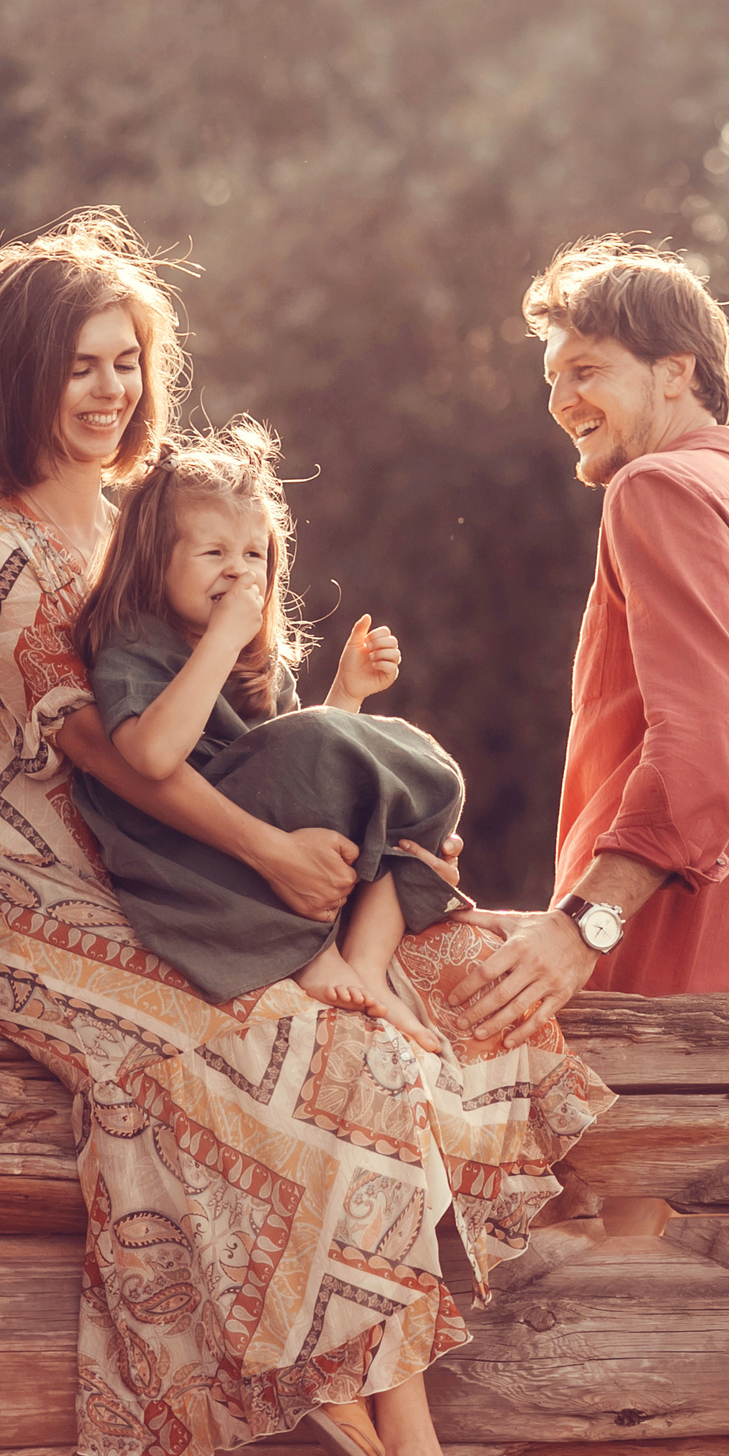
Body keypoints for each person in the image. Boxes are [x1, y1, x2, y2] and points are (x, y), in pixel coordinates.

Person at [0, 208, 605, 1456]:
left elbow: (236, 729)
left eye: (128, 360)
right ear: (15, 377)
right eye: (78, 365)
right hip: (56, 906)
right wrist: (284, 870)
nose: (109, 391)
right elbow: (123, 760)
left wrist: (336, 772)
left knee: (447, 976)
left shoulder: (149, 522)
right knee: (307, 1059)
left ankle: (461, 1361)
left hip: (209, 878)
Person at [449, 235, 729, 1048]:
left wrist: (579, 931)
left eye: (587, 370)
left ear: (676, 372)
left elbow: (710, 743)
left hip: (656, 997)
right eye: (553, 378)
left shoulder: (656, 487)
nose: (559, 400)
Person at [70, 416, 465, 1054]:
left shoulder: (257, 661)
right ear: (154, 561)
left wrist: (347, 698)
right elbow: (151, 755)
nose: (238, 571)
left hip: (265, 833)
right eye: (213, 553)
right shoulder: (136, 642)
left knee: (427, 782)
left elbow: (302, 764)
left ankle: (366, 957)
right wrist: (224, 639)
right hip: (187, 855)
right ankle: (306, 952)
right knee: (373, 765)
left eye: (254, 554)